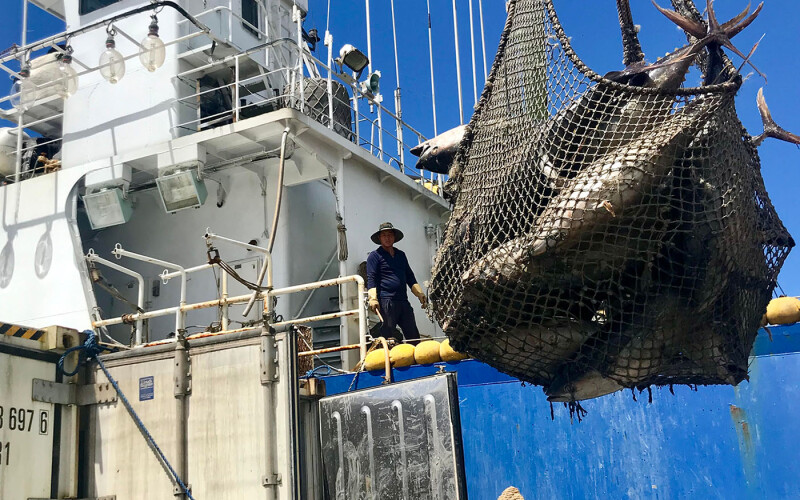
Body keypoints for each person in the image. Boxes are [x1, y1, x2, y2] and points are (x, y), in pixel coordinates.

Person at [366, 222, 428, 342]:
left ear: (394, 237)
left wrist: (419, 294)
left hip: (403, 301)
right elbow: (371, 278)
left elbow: (410, 276)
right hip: (386, 301)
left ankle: (416, 353)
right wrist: (373, 299)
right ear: (379, 238)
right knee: (387, 337)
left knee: (413, 336)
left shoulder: (401, 255)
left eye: (390, 235)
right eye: (384, 235)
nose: (387, 238)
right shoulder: (375, 256)